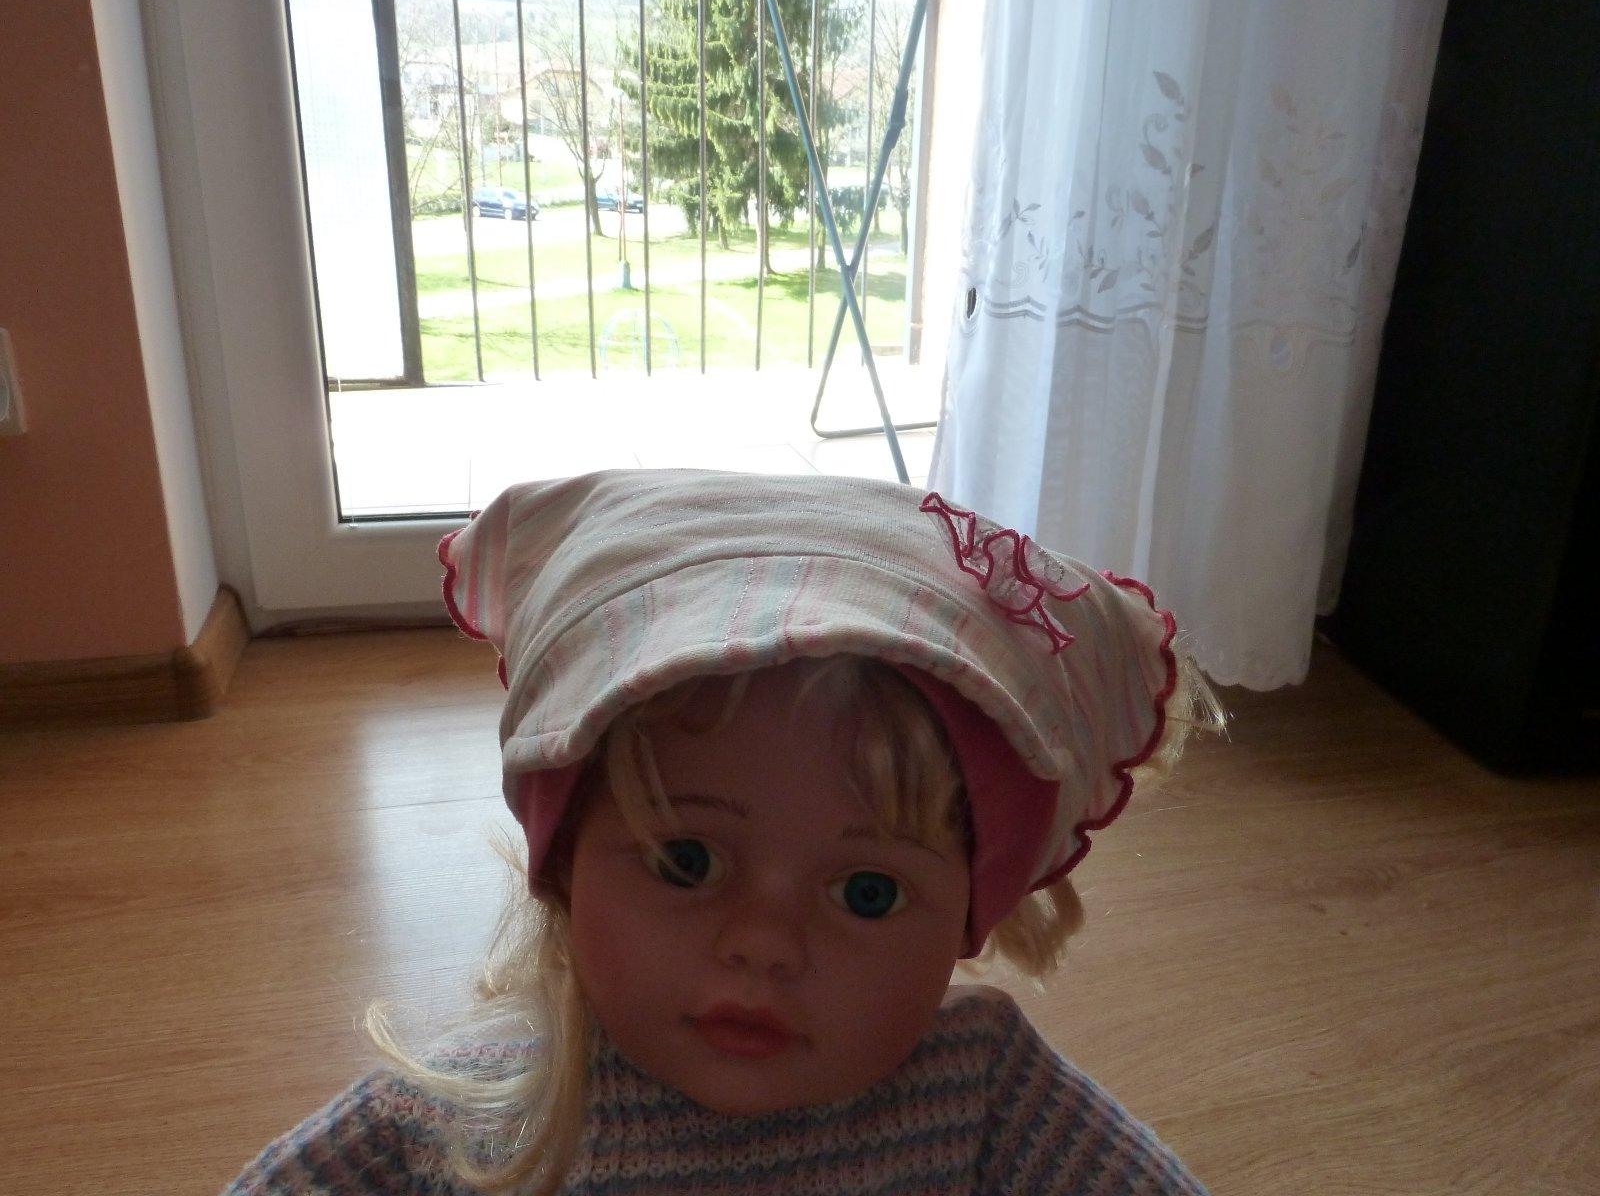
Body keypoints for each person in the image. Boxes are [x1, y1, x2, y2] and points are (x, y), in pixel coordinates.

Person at [222, 469, 1227, 1195]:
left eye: (867, 892)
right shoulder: (478, 1102)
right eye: (686, 860)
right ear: (563, 862)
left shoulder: (986, 1091)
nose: (763, 943)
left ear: (975, 909)